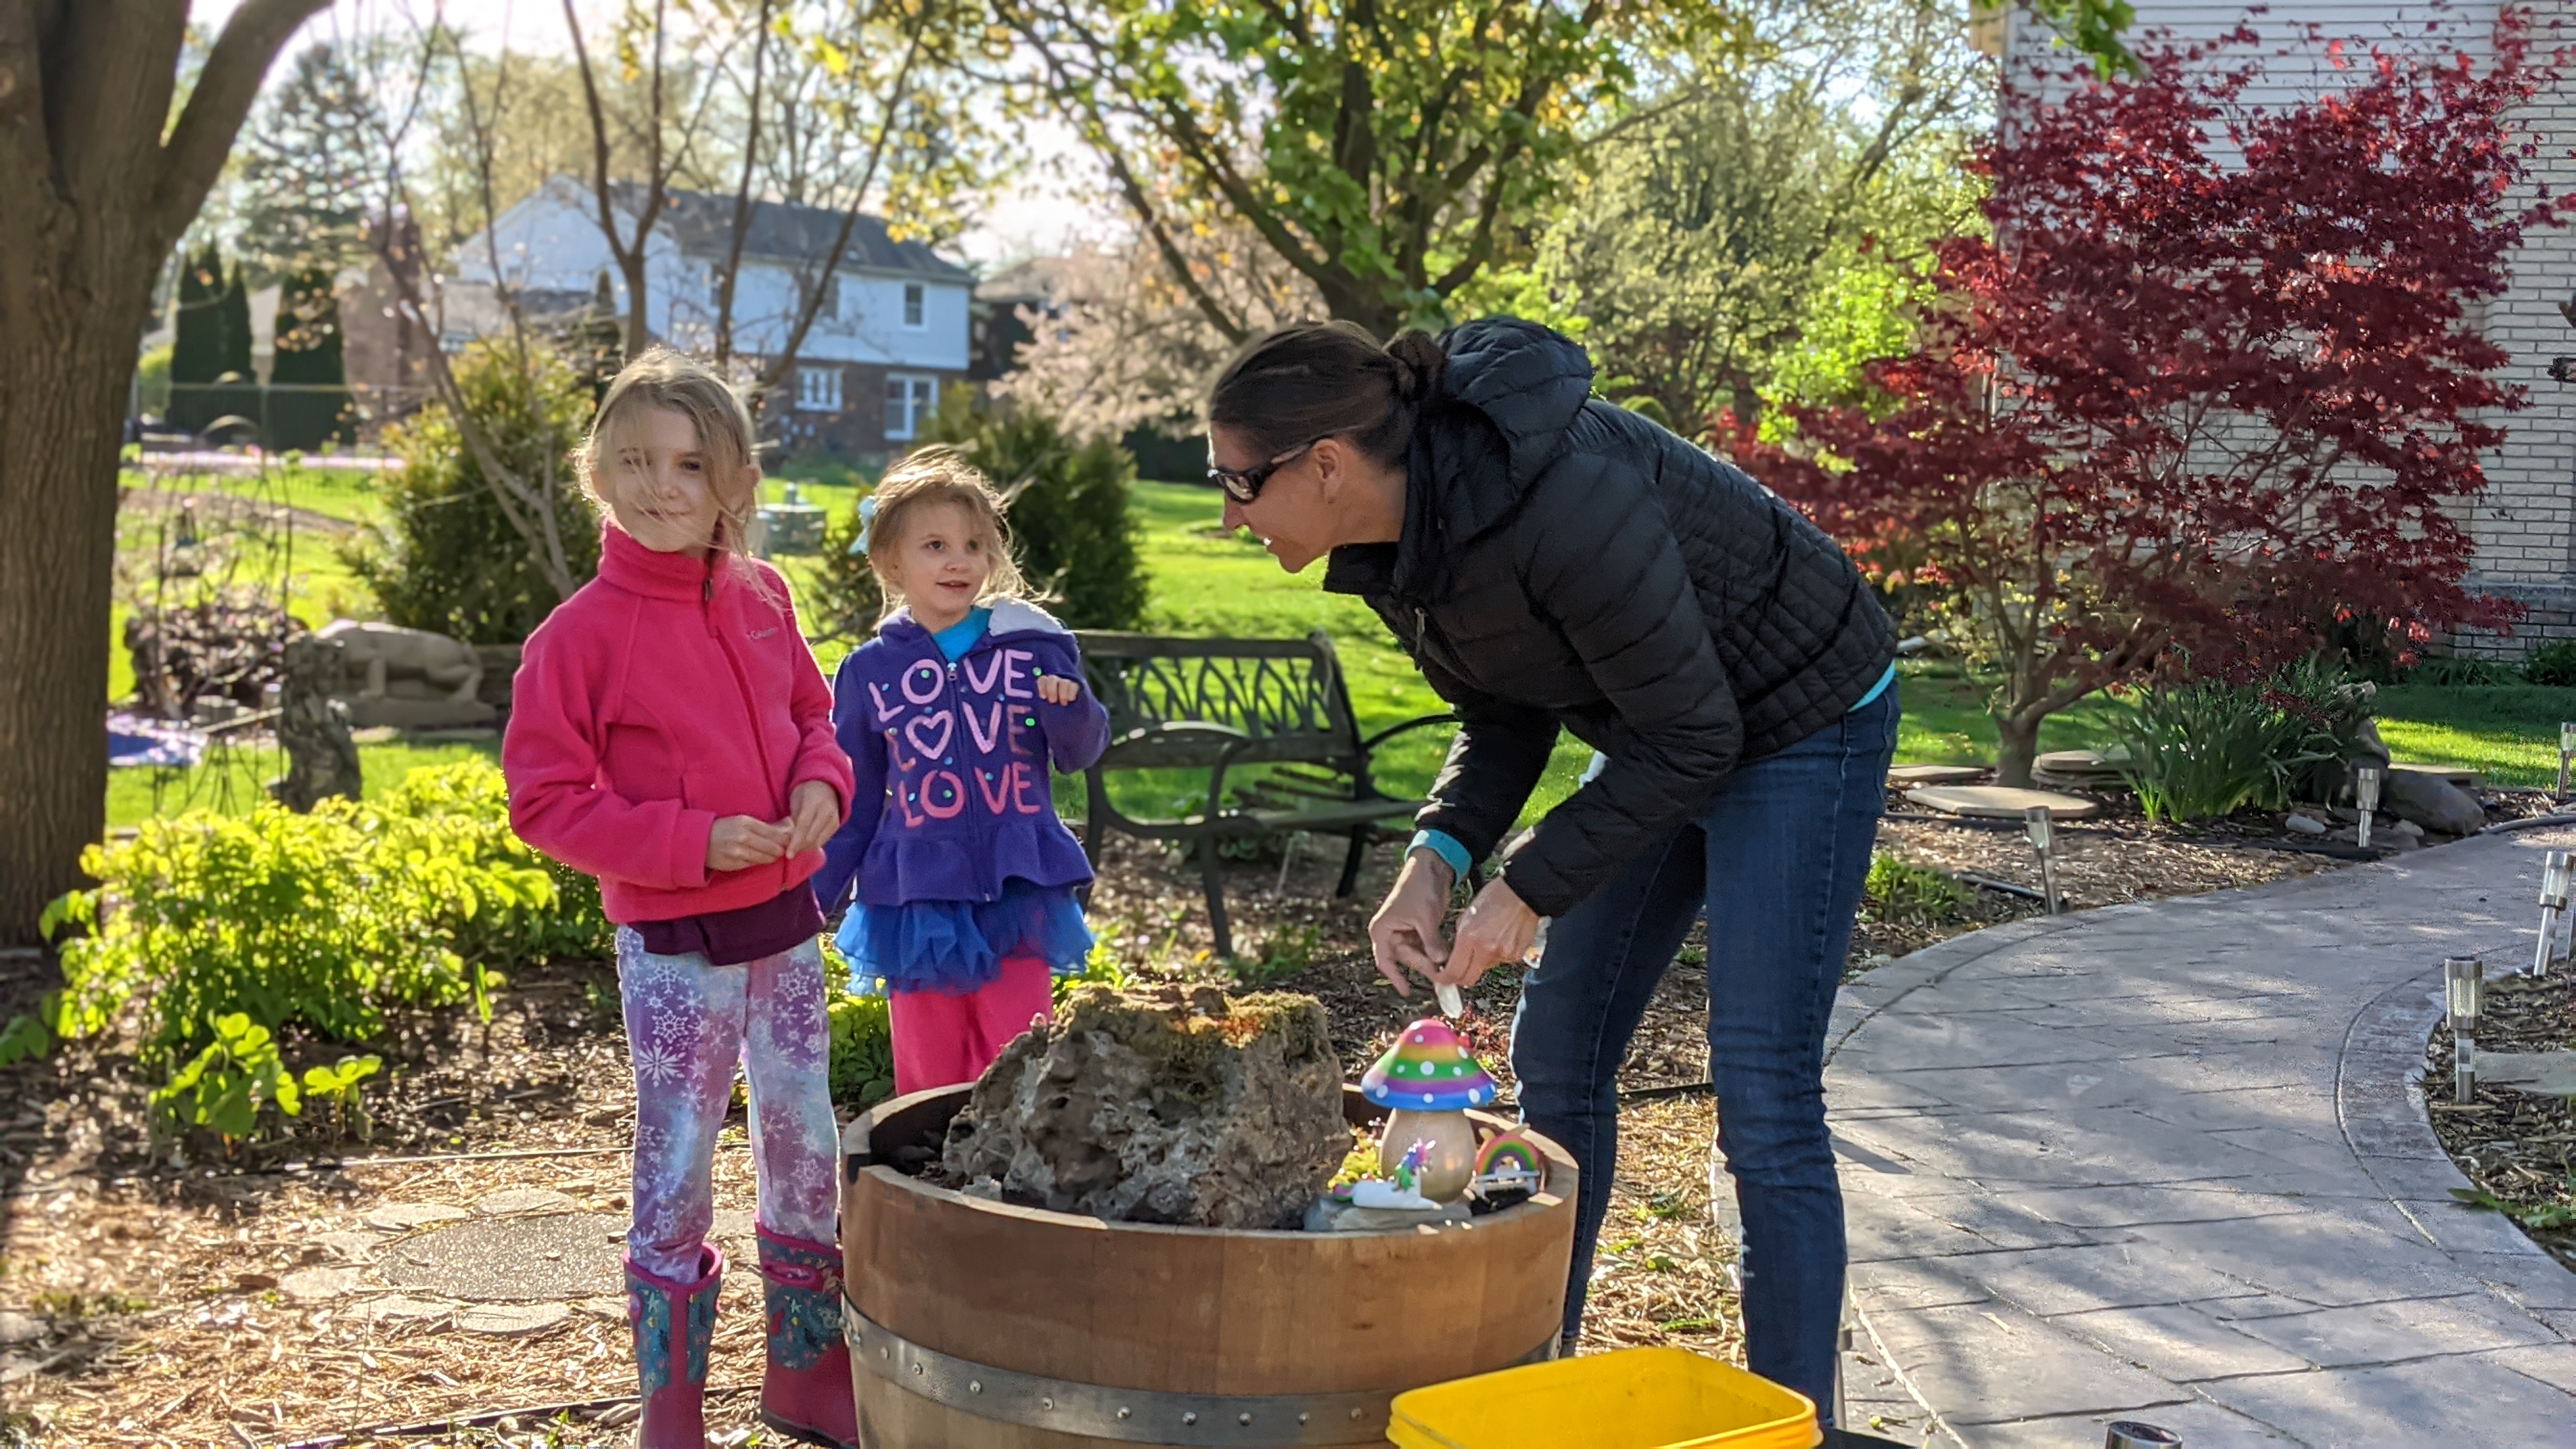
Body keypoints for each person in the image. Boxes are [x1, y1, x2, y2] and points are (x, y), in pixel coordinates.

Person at [1204, 318, 1897, 1418]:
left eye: (1237, 482)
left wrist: (1526, 885)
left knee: (1762, 1091)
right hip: (1664, 724)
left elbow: (1696, 737)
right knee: (1559, 1057)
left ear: (1326, 463)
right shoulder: (1394, 541)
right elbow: (1503, 711)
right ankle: (1537, 1383)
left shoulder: (1562, 496)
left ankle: (1789, 1420)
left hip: (1804, 714)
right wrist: (1436, 856)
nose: (1226, 514)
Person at [503, 348, 856, 1449]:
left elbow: (814, 716)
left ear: (736, 479)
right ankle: (673, 1407)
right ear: (597, 472)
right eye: (635, 460)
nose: (661, 485)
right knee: (678, 1157)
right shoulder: (577, 638)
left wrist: (821, 784)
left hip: (785, 930)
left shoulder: (765, 597)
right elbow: (544, 800)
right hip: (674, 946)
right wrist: (691, 842)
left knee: (806, 1143)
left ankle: (806, 1374)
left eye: (690, 464)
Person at [813, 448, 1110, 1095]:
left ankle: (1013, 1158)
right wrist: (815, 895)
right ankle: (932, 1160)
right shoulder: (869, 671)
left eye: (974, 545)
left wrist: (1069, 708)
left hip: (1018, 888)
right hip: (917, 897)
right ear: (890, 560)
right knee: (929, 1070)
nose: (959, 561)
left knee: (1018, 1061)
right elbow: (854, 796)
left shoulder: (1033, 646)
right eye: (936, 546)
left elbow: (1079, 751)